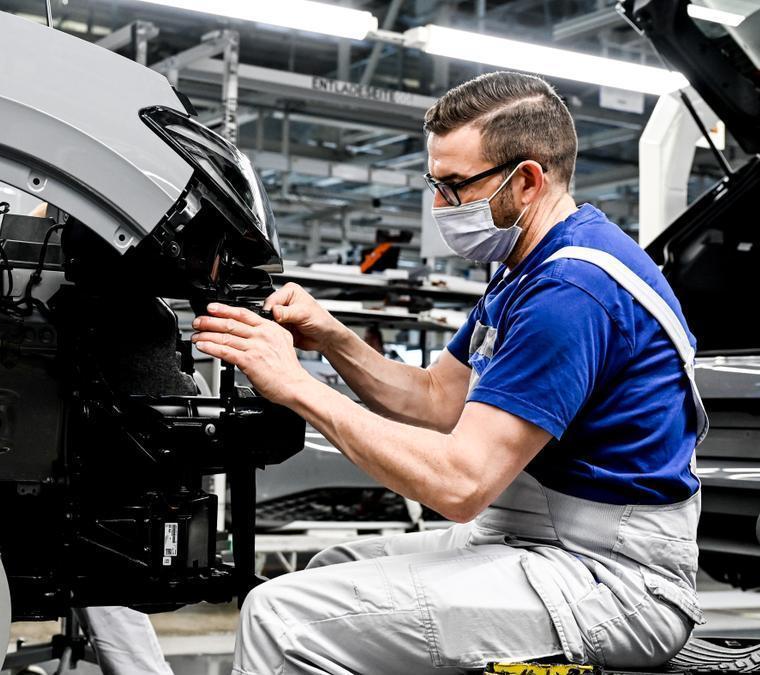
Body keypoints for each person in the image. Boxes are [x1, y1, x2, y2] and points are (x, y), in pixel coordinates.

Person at [191, 71, 708, 674]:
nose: (440, 206)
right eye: (434, 184)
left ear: (527, 180)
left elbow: (460, 486)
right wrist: (331, 338)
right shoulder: (523, 269)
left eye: (456, 186)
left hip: (613, 580)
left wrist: (298, 387)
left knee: (280, 617)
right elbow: (438, 398)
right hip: (538, 541)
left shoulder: (571, 290)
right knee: (331, 568)